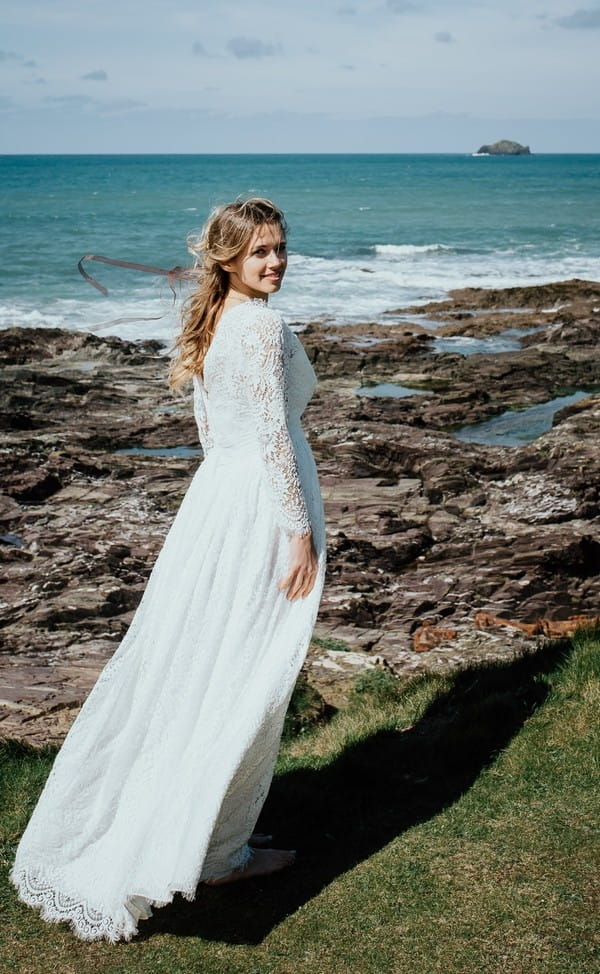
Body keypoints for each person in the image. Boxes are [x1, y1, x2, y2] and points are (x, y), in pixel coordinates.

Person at [9, 197, 327, 943]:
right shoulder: (259, 324)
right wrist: (297, 533)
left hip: (217, 503)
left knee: (205, 667)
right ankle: (214, 851)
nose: (276, 261)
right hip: (258, 514)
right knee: (250, 671)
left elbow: (215, 431)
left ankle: (209, 839)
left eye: (280, 248)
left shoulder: (215, 321)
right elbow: (277, 435)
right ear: (227, 260)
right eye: (259, 253)